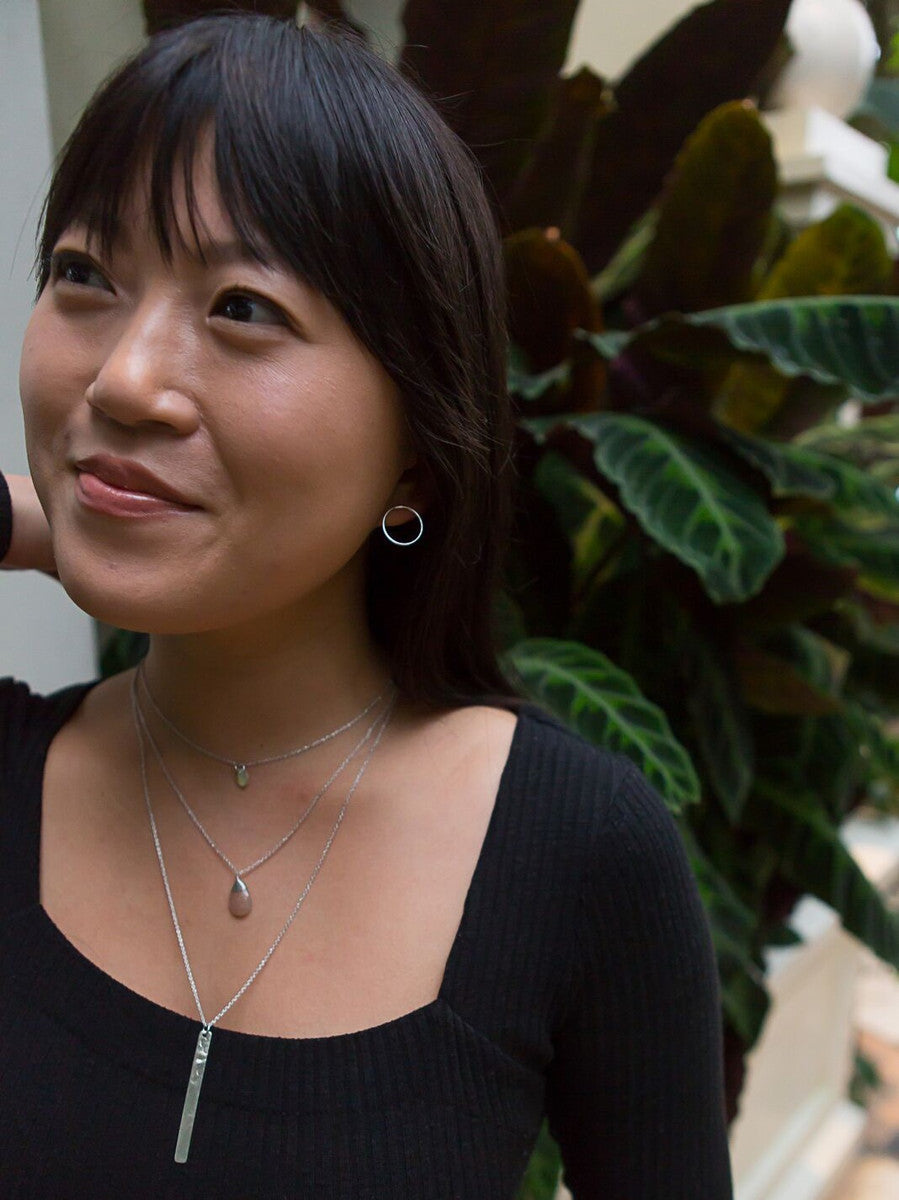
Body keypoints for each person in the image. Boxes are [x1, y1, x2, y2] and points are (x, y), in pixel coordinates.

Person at [0, 13, 733, 1198]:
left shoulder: (574, 854)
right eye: (85, 275)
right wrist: (42, 521)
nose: (124, 378)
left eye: (242, 306)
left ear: (414, 453)